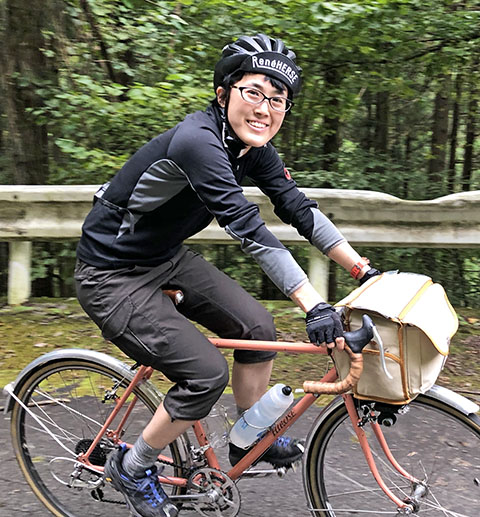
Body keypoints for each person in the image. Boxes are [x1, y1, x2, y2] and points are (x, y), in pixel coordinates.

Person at [74, 33, 380, 517]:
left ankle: (246, 436)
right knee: (204, 374)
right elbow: (250, 230)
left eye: (277, 100)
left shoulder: (251, 148)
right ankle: (132, 468)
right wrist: (313, 303)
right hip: (110, 275)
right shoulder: (199, 141)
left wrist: (362, 269)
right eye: (253, 92)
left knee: (257, 330)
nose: (265, 109)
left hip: (163, 258)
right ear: (224, 94)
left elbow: (298, 209)